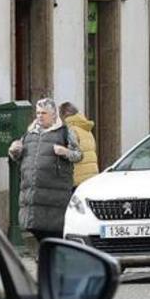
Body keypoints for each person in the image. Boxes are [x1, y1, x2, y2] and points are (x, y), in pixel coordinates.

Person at [8, 98, 82, 243]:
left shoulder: (65, 132)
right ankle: (44, 259)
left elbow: (78, 155)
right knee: (36, 232)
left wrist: (65, 152)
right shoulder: (29, 134)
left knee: (53, 234)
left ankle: (50, 260)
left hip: (55, 198)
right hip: (32, 197)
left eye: (44, 113)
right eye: (38, 113)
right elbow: (20, 158)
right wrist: (14, 151)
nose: (40, 116)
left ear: (54, 115)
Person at [59, 101, 99, 187]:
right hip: (91, 177)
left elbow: (72, 155)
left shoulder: (71, 130)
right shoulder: (86, 129)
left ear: (64, 115)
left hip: (77, 179)